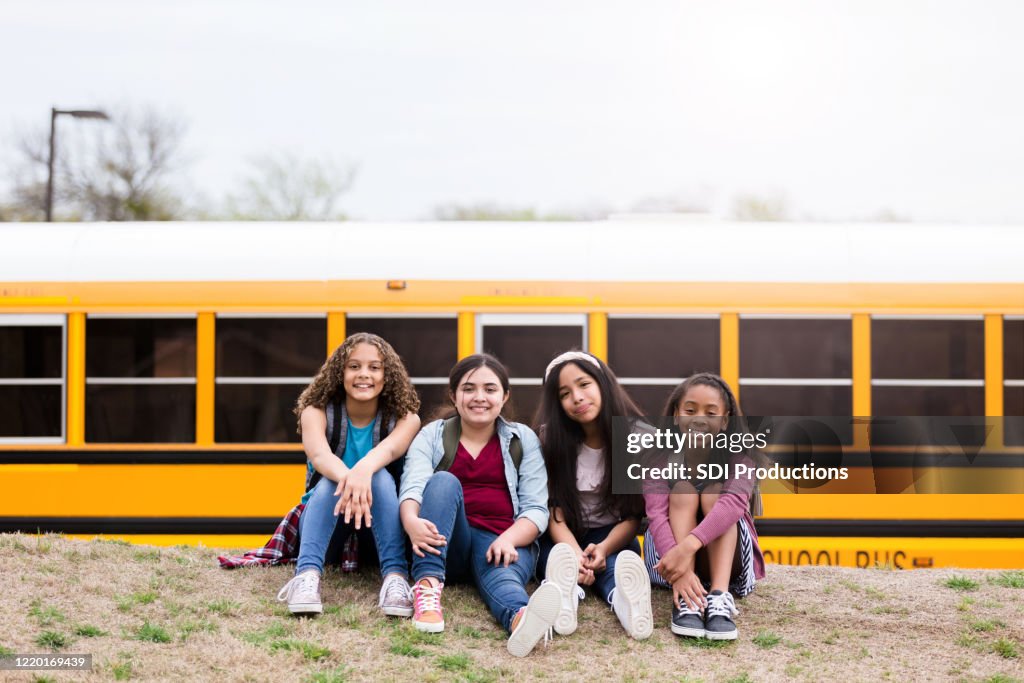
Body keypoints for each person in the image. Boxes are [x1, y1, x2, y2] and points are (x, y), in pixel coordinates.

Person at [398, 354, 560, 657]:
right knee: (442, 482)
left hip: (501, 540)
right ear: (453, 395)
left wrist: (509, 539)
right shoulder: (432, 435)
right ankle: (428, 590)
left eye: (490, 389)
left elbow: (536, 508)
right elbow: (413, 486)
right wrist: (411, 522)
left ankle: (521, 618)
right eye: (469, 388)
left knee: (504, 579)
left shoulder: (522, 439)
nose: (479, 397)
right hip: (447, 543)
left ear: (504, 396)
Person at [276, 333, 422, 618]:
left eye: (374, 367)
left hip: (378, 529)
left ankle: (395, 577)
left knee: (379, 476)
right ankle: (306, 576)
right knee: (331, 478)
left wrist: (363, 472)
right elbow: (320, 456)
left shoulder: (406, 418)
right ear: (339, 372)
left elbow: (390, 450)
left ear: (387, 375)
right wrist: (351, 478)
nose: (363, 374)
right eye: (354, 366)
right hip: (327, 525)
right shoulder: (315, 412)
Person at [534, 351, 653, 640]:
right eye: (564, 394)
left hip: (613, 535)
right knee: (554, 560)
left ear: (603, 383)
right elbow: (552, 510)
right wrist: (575, 554)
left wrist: (604, 548)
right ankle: (565, 595)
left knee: (616, 567)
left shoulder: (638, 437)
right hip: (564, 533)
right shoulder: (549, 439)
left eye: (584, 384)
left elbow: (633, 515)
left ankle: (625, 603)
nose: (576, 397)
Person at [643, 372, 765, 641]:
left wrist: (688, 547)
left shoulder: (740, 458)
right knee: (683, 491)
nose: (699, 419)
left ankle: (719, 597)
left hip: (725, 561)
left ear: (725, 421)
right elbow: (656, 515)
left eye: (710, 413)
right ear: (676, 415)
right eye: (690, 410)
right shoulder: (659, 458)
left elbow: (734, 504)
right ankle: (687, 600)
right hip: (669, 559)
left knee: (715, 495)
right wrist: (680, 571)